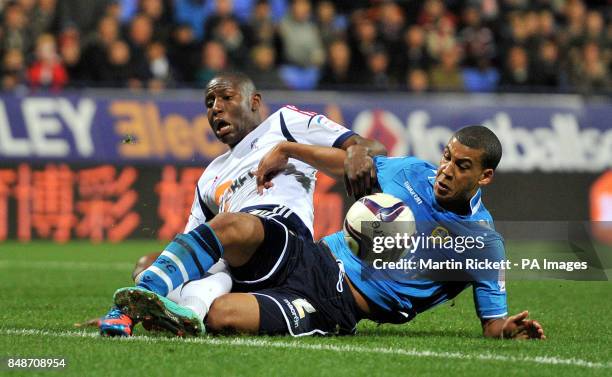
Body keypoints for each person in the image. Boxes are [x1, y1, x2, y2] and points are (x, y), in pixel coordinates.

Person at [130, 125, 545, 339]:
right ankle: (144, 297)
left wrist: (509, 329)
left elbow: (493, 322)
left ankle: (171, 300)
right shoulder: (413, 172)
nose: (446, 171)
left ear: (485, 176)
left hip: (335, 305)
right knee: (228, 229)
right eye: (447, 157)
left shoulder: (481, 244)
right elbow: (348, 164)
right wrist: (290, 150)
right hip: (311, 256)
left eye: (462, 166)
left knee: (221, 316)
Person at [98, 71, 385, 336]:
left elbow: (372, 149)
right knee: (149, 263)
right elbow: (192, 241)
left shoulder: (284, 123)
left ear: (254, 102)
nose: (215, 108)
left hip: (285, 243)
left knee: (228, 225)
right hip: (241, 263)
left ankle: (127, 309)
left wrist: (355, 150)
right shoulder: (210, 175)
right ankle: (186, 313)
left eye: (226, 97)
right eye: (209, 102)